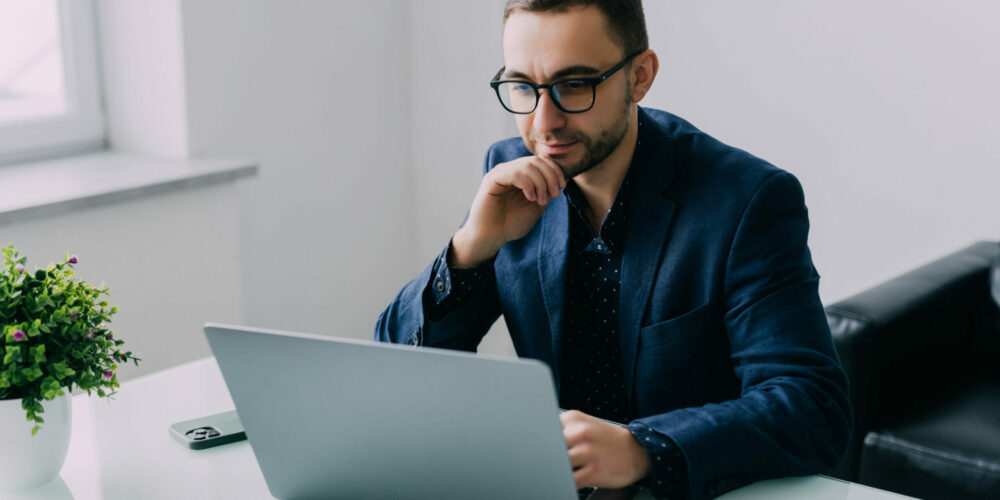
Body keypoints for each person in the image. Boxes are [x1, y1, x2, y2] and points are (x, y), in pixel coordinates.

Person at [375, 1, 852, 498]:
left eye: (575, 85)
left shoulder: (745, 200)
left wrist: (641, 448)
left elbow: (812, 406)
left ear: (640, 77)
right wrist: (471, 246)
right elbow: (396, 369)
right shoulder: (511, 173)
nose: (543, 122)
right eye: (522, 87)